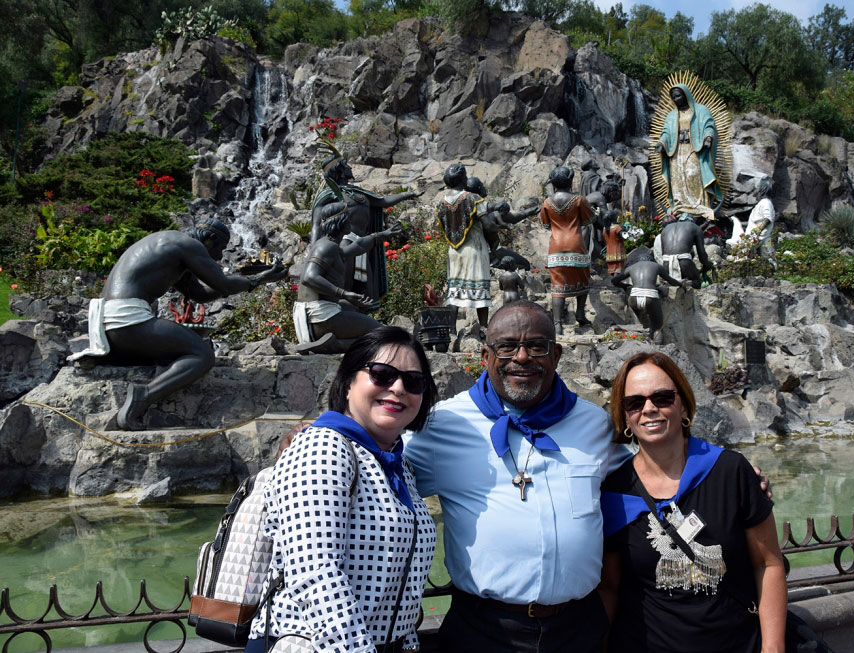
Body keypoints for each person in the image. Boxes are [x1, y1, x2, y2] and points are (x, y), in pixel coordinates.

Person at [403, 300, 627, 652]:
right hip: (483, 631)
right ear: (486, 355)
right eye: (507, 346)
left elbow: (646, 477)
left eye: (536, 346)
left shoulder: (594, 424)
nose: (521, 357)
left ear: (556, 355)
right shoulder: (444, 424)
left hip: (577, 628)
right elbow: (379, 472)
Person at [247, 326, 439, 653]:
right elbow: (315, 573)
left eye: (413, 381)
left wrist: (406, 641)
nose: (398, 388)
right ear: (348, 382)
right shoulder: (324, 447)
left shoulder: (397, 464)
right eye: (382, 374)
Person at [599, 351, 786, 653]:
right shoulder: (615, 491)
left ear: (684, 404)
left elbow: (768, 564)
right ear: (626, 416)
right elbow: (610, 587)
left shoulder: (730, 472)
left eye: (662, 398)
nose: (649, 409)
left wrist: (773, 648)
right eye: (635, 402)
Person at [68, 218, 286, 430]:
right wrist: (258, 279)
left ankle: (116, 361)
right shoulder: (189, 245)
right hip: (127, 319)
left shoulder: (171, 246)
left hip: (106, 325)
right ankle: (143, 397)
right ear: (209, 240)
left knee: (171, 355)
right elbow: (224, 285)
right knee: (202, 355)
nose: (219, 257)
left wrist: (245, 281)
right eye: (220, 249)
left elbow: (199, 294)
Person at [310, 154, 419, 301]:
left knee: (366, 290)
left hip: (362, 244)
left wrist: (407, 194)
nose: (350, 167)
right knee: (345, 285)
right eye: (346, 164)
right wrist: (314, 251)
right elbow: (316, 225)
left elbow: (383, 201)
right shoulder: (329, 194)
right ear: (340, 170)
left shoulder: (359, 192)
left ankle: (359, 313)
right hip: (345, 243)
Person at [294, 213, 401, 354]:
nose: (351, 221)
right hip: (321, 318)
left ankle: (332, 343)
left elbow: (357, 246)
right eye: (348, 219)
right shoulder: (327, 247)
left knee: (350, 307)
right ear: (339, 222)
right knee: (384, 334)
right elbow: (308, 277)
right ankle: (335, 345)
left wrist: (381, 235)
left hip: (316, 316)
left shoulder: (331, 246)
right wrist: (344, 293)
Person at [652, 84, 722, 221]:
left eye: (678, 95)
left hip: (694, 149)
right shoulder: (671, 116)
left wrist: (708, 137)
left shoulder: (701, 110)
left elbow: (709, 125)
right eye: (674, 97)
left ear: (686, 95)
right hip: (676, 151)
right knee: (677, 177)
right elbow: (666, 132)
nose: (676, 99)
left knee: (692, 174)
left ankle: (698, 207)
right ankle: (680, 207)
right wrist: (661, 143)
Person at [438, 164, 492, 330]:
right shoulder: (473, 198)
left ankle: (451, 330)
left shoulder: (441, 202)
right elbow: (488, 225)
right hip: (475, 248)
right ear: (463, 178)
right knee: (480, 289)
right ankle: (483, 329)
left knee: (454, 290)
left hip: (454, 251)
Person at [541, 165, 595, 329]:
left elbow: (546, 224)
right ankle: (580, 313)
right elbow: (589, 219)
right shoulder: (579, 200)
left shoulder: (547, 202)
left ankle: (557, 324)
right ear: (570, 181)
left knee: (557, 286)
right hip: (576, 244)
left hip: (556, 247)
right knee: (582, 279)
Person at [611, 252, 688, 339]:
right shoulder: (656, 266)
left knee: (638, 325)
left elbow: (614, 281)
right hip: (650, 297)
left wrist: (625, 286)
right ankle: (658, 345)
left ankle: (639, 340)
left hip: (633, 298)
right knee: (657, 327)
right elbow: (671, 281)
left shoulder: (631, 267)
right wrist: (681, 284)